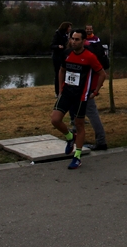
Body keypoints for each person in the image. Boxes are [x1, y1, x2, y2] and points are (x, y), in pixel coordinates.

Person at [50, 28, 106, 169]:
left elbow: (102, 74)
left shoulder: (89, 57)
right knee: (55, 119)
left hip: (81, 95)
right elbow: (62, 70)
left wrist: (96, 91)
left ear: (83, 41)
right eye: (72, 39)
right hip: (67, 92)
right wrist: (61, 88)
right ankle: (70, 137)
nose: (73, 42)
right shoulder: (67, 53)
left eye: (77, 39)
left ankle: (77, 156)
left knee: (79, 124)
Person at [50, 21, 72, 96]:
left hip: (65, 56)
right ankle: (57, 92)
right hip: (57, 57)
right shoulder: (58, 34)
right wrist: (58, 46)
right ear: (66, 27)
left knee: (66, 74)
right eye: (69, 27)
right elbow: (52, 45)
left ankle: (65, 90)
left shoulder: (67, 35)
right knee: (58, 74)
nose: (70, 29)